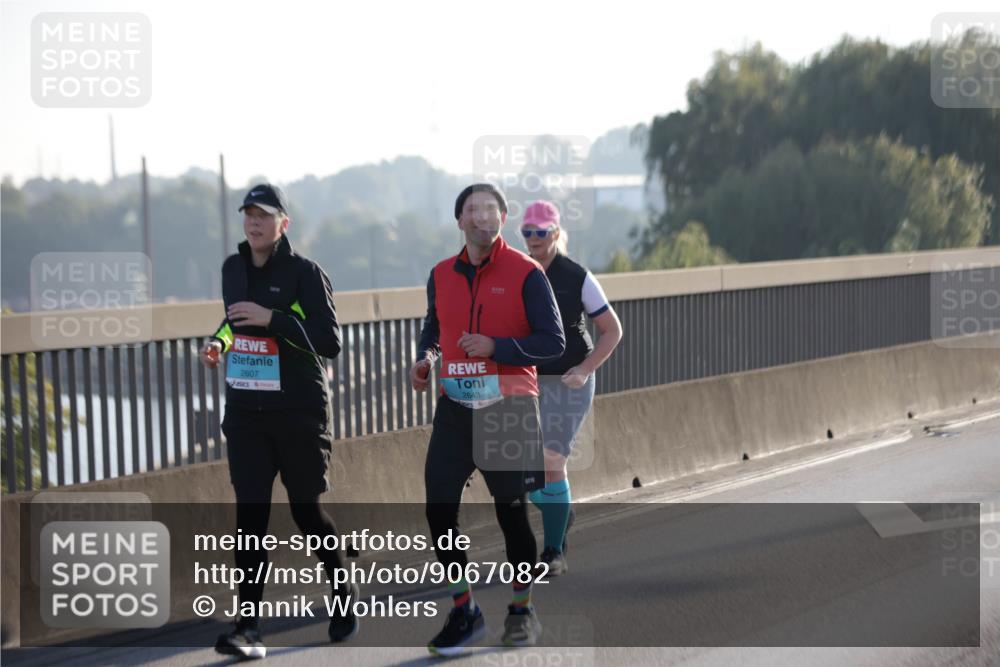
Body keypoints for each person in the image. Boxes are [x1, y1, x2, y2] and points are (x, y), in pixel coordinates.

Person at [199, 183, 357, 660]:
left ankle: (342, 590)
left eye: (265, 215)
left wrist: (275, 318)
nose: (254, 222)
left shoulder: (306, 274)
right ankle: (247, 626)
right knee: (250, 517)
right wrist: (219, 343)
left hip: (299, 411)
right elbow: (233, 320)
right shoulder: (232, 268)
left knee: (307, 512)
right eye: (249, 213)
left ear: (283, 224)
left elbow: (329, 341)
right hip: (247, 413)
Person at [410, 183, 565, 655]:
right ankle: (465, 610)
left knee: (510, 512)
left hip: (509, 405)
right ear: (460, 221)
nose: (482, 215)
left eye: (491, 208)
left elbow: (554, 341)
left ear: (501, 217)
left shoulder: (526, 272)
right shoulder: (440, 274)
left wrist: (499, 348)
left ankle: (522, 609)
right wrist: (426, 357)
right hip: (456, 406)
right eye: (472, 209)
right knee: (439, 508)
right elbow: (436, 326)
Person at [519, 200, 623, 576]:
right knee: (523, 473)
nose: (533, 239)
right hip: (530, 382)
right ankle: (561, 512)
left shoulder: (577, 276)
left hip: (570, 381)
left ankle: (553, 551)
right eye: (526, 232)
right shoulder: (518, 273)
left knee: (551, 460)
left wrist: (584, 368)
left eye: (541, 232)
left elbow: (612, 330)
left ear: (557, 234)